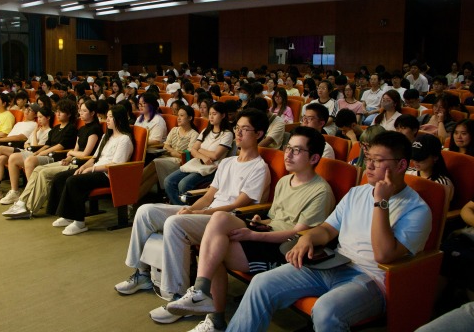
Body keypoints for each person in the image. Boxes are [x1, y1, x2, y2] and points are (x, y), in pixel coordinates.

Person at [227, 131, 433, 332]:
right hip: (335, 262)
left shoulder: (417, 210)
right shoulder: (356, 193)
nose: (369, 166)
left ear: (401, 165)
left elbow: (383, 255)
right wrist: (307, 239)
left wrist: (381, 203)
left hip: (371, 279)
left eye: (378, 161)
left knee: (326, 310)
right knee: (262, 282)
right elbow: (327, 229)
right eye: (368, 158)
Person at [165, 127, 335, 330]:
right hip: (266, 233)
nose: (288, 154)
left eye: (297, 150)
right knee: (219, 219)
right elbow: (275, 219)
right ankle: (201, 292)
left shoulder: (320, 191)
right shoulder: (285, 181)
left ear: (314, 158)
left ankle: (214, 318)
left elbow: (298, 235)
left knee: (212, 251)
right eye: (288, 148)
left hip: (284, 249)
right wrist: (261, 222)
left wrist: (254, 234)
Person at [115, 109, 271, 323]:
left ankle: (178, 296)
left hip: (227, 220)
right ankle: (142, 273)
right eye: (237, 128)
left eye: (245, 129)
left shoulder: (259, 168)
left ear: (259, 134)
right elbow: (208, 197)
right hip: (208, 213)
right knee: (146, 211)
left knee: (175, 224)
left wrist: (199, 213)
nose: (239, 133)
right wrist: (191, 209)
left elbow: (238, 205)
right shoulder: (227, 163)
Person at [2, 99, 103, 219]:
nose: (81, 113)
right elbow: (76, 149)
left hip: (82, 163)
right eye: (80, 110)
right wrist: (69, 157)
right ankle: (21, 202)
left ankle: (29, 208)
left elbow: (86, 153)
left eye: (84, 111)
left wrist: (71, 153)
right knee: (37, 169)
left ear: (93, 113)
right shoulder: (82, 129)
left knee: (44, 173)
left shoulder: (94, 129)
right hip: (72, 160)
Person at [45, 105, 133, 235]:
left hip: (108, 175)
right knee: (60, 177)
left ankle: (79, 222)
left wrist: (92, 169)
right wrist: (84, 167)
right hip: (96, 169)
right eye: (107, 117)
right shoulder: (106, 136)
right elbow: (94, 157)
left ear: (119, 119)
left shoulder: (124, 139)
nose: (107, 120)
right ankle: (67, 216)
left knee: (73, 181)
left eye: (111, 117)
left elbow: (116, 164)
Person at [164, 101, 233, 205]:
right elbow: (193, 150)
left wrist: (200, 150)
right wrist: (203, 156)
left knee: (183, 184)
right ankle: (180, 207)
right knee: (168, 181)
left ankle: (185, 209)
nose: (211, 117)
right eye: (210, 114)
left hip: (211, 168)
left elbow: (215, 155)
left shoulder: (227, 134)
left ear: (223, 115)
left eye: (214, 114)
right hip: (197, 163)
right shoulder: (206, 131)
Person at [137, 105, 199, 200]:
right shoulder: (174, 130)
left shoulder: (194, 134)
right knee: (156, 175)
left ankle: (130, 190)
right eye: (178, 115)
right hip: (167, 158)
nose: (178, 118)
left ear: (190, 118)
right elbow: (165, 146)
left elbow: (187, 155)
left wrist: (171, 151)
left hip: (179, 162)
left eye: (182, 115)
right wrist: (174, 152)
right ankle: (133, 198)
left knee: (155, 163)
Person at [406, 133, 454, 203]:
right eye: (413, 157)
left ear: (435, 157)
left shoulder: (442, 184)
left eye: (420, 158)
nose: (415, 161)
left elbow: (440, 208)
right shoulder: (407, 173)